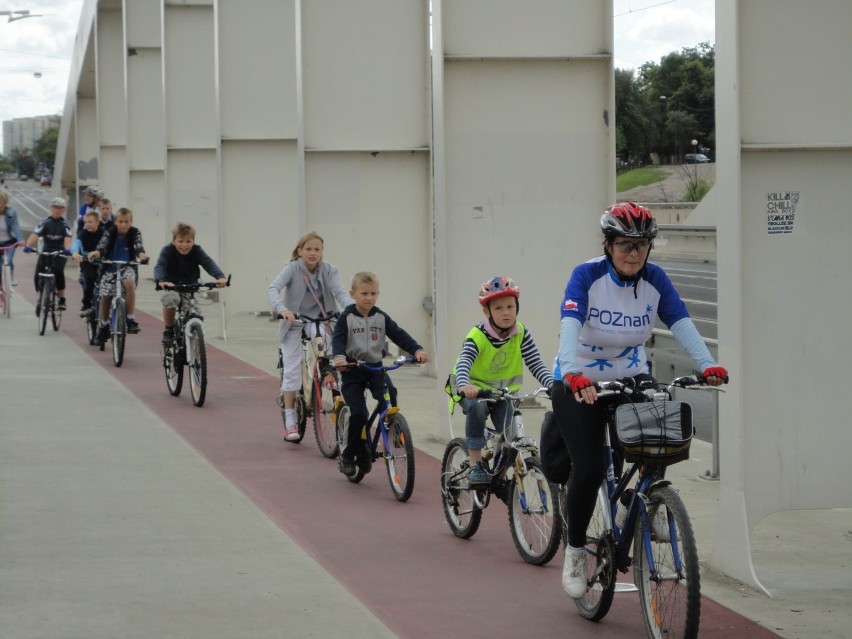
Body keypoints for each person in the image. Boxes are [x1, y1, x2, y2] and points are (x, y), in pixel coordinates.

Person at [550, 202, 728, 599]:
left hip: (630, 373)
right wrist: (571, 373)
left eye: (641, 245)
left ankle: (643, 500)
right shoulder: (587, 276)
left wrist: (708, 364)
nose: (633, 253)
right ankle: (576, 551)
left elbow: (680, 321)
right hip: (578, 379)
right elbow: (569, 325)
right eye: (625, 245)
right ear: (609, 245)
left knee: (658, 444)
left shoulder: (655, 280)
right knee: (591, 468)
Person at [447, 276, 554, 486]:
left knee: (509, 435)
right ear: (487, 312)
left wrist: (552, 384)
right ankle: (476, 465)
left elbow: (536, 363)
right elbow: (465, 361)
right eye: (498, 308)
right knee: (477, 410)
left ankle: (500, 477)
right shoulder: (477, 335)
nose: (506, 312)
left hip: (502, 392)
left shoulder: (521, 333)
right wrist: (463, 385)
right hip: (471, 389)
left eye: (510, 306)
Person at [332, 271, 428, 477]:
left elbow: (399, 335)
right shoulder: (346, 318)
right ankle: (348, 455)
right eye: (364, 293)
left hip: (375, 368)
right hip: (352, 370)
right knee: (359, 414)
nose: (369, 298)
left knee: (390, 393)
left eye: (373, 293)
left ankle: (392, 430)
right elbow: (338, 340)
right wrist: (339, 357)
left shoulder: (380, 317)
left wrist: (416, 350)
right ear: (352, 294)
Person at [267, 231, 352, 442]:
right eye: (308, 249)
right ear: (300, 251)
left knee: (332, 354)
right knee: (292, 371)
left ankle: (328, 382)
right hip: (294, 322)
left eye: (317, 249)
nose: (313, 253)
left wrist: (352, 309)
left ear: (322, 252)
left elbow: (339, 291)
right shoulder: (292, 268)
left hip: (322, 320)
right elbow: (273, 288)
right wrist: (282, 309)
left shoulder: (330, 270)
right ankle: (290, 421)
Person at [153, 222, 227, 343]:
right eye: (180, 241)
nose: (184, 245)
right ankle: (169, 329)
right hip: (171, 286)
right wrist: (162, 281)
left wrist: (220, 277)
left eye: (188, 241)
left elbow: (208, 263)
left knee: (196, 316)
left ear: (193, 241)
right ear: (174, 241)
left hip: (190, 286)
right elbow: (160, 266)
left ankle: (195, 348)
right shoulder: (167, 251)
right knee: (170, 299)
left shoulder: (197, 250)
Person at [88, 207, 148, 344]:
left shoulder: (135, 232)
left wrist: (142, 255)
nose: (123, 225)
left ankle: (131, 319)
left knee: (129, 283)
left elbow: (139, 247)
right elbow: (102, 245)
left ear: (131, 222)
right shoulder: (109, 232)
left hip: (128, 266)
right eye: (120, 221)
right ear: (116, 222)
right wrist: (97, 253)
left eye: (126, 221)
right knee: (106, 295)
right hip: (109, 267)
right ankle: (103, 325)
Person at [23, 197, 73, 311]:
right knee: (37, 276)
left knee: (58, 271)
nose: (57, 210)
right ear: (51, 208)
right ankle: (41, 297)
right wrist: (28, 246)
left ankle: (61, 299)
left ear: (63, 210)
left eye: (60, 208)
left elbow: (67, 238)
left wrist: (67, 249)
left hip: (60, 253)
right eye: (55, 207)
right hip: (45, 252)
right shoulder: (45, 222)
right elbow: (35, 234)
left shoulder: (66, 224)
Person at [70, 210, 105, 315]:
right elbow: (76, 243)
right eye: (85, 222)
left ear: (97, 222)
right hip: (87, 261)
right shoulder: (83, 233)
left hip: (101, 262)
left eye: (90, 222)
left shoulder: (104, 233)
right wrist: (75, 253)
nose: (87, 224)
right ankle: (86, 305)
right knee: (89, 278)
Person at [0, 187, 23, 287]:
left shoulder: (11, 213)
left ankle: (11, 275)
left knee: (8, 261)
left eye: (1, 204)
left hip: (9, 243)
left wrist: (20, 239)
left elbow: (16, 227)